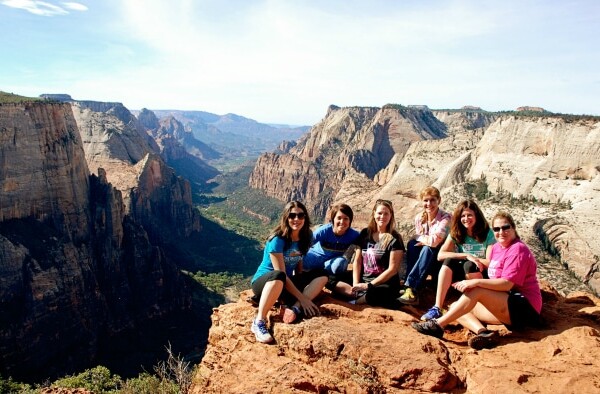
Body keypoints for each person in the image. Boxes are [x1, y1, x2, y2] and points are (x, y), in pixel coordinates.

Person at [411, 211, 543, 350]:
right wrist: (470, 259)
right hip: (507, 305)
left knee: (476, 290)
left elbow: (506, 284)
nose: (501, 232)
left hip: (525, 308)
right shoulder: (497, 248)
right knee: (456, 307)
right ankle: (484, 333)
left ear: (513, 228)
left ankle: (437, 325)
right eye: (497, 229)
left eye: (505, 227)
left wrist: (475, 282)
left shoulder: (518, 249)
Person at [250, 201, 328, 344]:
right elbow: (282, 274)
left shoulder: (306, 236)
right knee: (279, 275)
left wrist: (300, 280)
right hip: (267, 282)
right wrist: (303, 297)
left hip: (284, 284)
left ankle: (295, 307)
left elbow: (298, 259)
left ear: (305, 217)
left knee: (322, 275)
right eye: (292, 215)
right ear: (286, 218)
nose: (296, 219)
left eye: (300, 215)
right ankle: (259, 321)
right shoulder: (277, 239)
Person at [420, 200, 496, 321]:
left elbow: (490, 263)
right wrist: (465, 255)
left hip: (481, 274)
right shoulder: (457, 232)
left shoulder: (487, 233)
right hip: (463, 274)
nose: (466, 219)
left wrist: (474, 260)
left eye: (470, 215)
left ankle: (477, 302)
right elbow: (441, 255)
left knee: (469, 265)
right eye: (463, 216)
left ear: (477, 215)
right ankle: (437, 307)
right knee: (448, 261)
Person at [329, 199, 405, 309]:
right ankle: (356, 294)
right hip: (363, 279)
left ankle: (356, 300)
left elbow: (392, 269)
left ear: (391, 216)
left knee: (382, 293)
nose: (382, 217)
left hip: (382, 284)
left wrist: (368, 286)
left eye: (386, 214)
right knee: (328, 278)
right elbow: (358, 260)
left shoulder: (395, 238)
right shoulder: (365, 233)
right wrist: (356, 283)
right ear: (374, 214)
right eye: (379, 213)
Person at [399, 186, 451, 305]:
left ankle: (411, 287)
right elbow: (423, 242)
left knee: (428, 248)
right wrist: (420, 239)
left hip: (441, 259)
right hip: (425, 258)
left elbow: (434, 242)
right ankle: (412, 287)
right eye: (426, 200)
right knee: (412, 245)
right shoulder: (419, 218)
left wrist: (417, 236)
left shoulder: (446, 218)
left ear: (439, 200)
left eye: (432, 200)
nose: (429, 203)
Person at [303, 203, 360, 275]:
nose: (342, 222)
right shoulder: (323, 231)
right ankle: (320, 272)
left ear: (350, 221)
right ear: (333, 219)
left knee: (340, 263)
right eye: (339, 218)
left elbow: (364, 245)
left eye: (346, 218)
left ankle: (321, 274)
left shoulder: (354, 235)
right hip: (316, 257)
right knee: (302, 260)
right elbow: (305, 244)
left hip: (333, 261)